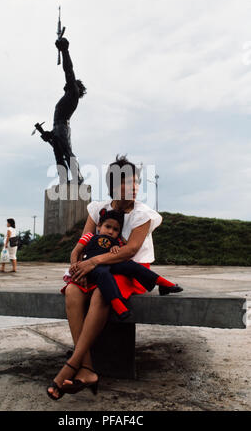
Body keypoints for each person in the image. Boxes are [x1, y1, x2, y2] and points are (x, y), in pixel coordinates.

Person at [47, 155, 181, 400]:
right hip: (96, 268)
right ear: (112, 185)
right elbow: (83, 243)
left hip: (131, 270)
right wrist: (77, 266)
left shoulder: (143, 214)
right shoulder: (99, 210)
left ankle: (74, 363)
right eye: (126, 182)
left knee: (102, 293)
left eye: (136, 182)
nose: (133, 187)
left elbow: (130, 250)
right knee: (73, 291)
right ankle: (87, 368)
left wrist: (93, 262)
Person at [64, 208, 182, 319]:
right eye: (107, 226)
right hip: (92, 268)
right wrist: (74, 265)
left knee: (131, 265)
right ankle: (117, 306)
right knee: (104, 274)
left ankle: (162, 283)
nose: (110, 231)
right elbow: (76, 251)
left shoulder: (117, 241)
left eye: (115, 229)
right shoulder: (89, 236)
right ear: (99, 226)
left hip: (109, 263)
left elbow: (125, 250)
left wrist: (116, 248)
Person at [41, 37, 86, 184]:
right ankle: (63, 180)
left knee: (67, 153)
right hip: (58, 127)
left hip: (62, 127)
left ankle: (77, 178)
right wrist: (50, 135)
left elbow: (69, 70)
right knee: (59, 156)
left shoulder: (72, 94)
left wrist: (65, 51)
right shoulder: (67, 97)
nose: (65, 85)